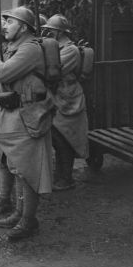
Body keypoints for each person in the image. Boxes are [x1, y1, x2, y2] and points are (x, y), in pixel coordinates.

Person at [0, 7, 54, 240]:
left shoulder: (30, 49)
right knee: (16, 167)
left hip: (29, 115)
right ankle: (19, 212)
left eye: (10, 23)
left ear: (23, 26)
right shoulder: (16, 48)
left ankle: (28, 220)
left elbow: (2, 73)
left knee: (27, 171)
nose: (5, 27)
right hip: (15, 114)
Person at [41, 14, 89, 190]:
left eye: (52, 30)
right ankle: (61, 175)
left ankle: (66, 178)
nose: (48, 33)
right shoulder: (57, 47)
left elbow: (53, 71)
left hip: (69, 98)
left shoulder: (70, 50)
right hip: (58, 97)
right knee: (57, 138)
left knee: (66, 139)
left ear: (61, 32)